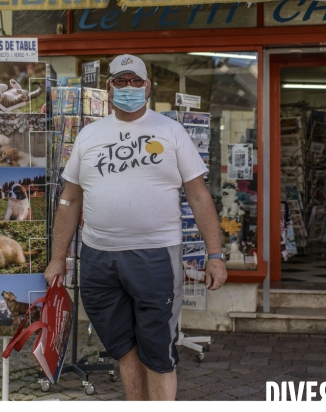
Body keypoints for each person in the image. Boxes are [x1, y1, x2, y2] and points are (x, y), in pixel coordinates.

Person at [44, 54, 227, 401]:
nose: (128, 87)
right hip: (98, 257)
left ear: (147, 86)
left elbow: (199, 197)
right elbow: (69, 200)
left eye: (135, 81)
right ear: (109, 88)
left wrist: (214, 254)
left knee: (157, 351)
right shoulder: (89, 135)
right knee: (123, 348)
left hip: (155, 256)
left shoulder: (171, 131)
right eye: (120, 81)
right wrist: (58, 257)